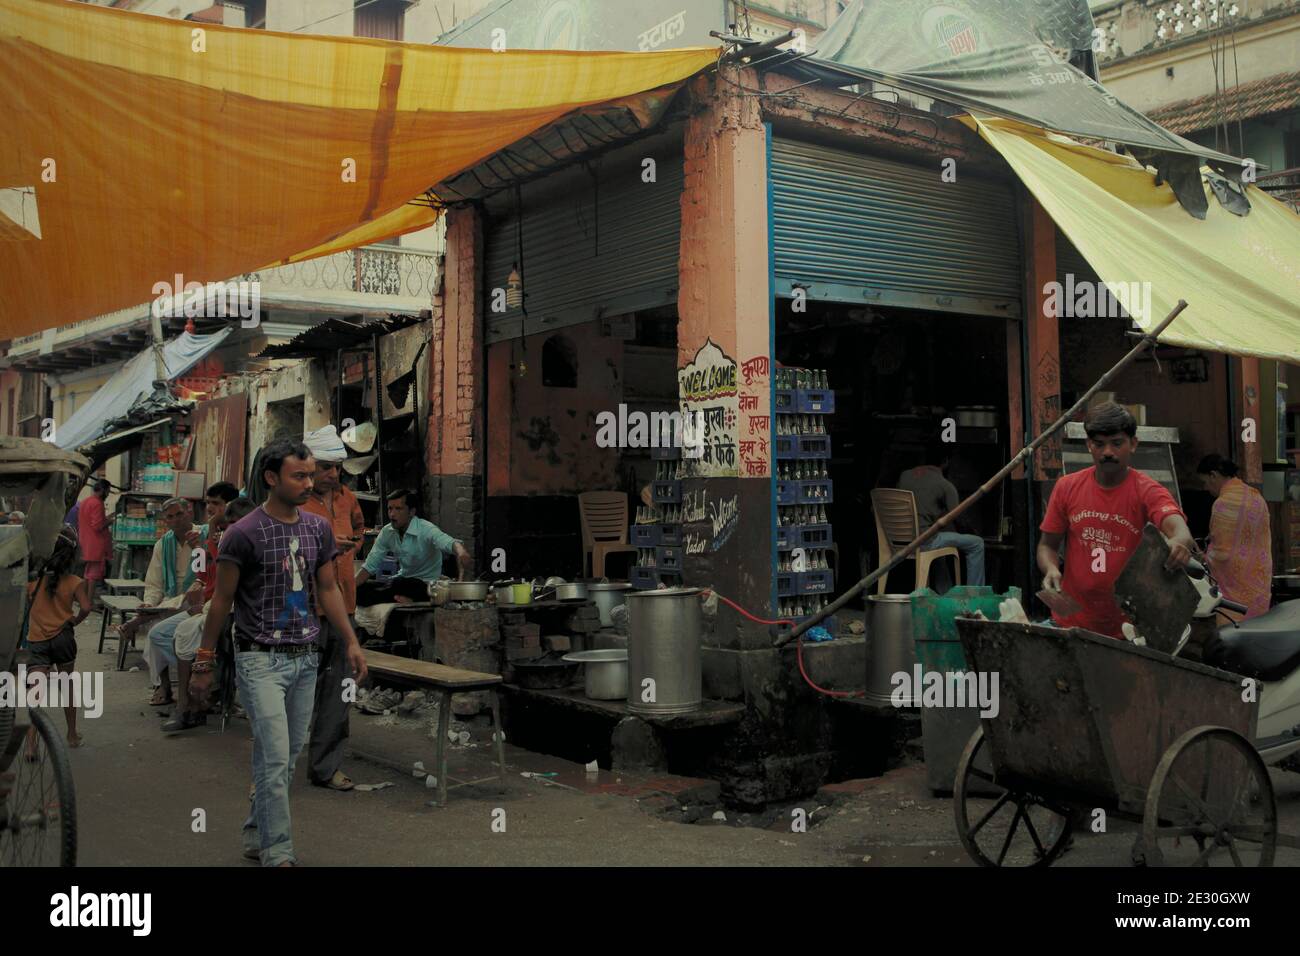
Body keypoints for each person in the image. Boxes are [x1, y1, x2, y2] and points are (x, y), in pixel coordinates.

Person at [188, 439, 367, 867]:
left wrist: (351, 640)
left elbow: (328, 588)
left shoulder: (316, 528)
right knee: (273, 757)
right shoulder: (241, 533)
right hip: (258, 659)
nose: (310, 483)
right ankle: (278, 851)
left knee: (285, 759)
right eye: (299, 475)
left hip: (305, 656)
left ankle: (255, 833)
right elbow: (222, 601)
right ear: (272, 478)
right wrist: (204, 660)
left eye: (311, 475)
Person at [1038, 402, 1196, 638]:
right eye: (1099, 444)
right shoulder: (1066, 487)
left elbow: (1180, 531)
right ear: (1088, 445)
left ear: (1133, 444)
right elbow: (1047, 545)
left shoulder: (1147, 490)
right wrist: (1050, 569)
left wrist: (1180, 543)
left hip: (1128, 627)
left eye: (1117, 443)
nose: (1108, 452)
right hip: (1071, 621)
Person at [161, 497, 258, 734]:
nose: (227, 530)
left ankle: (205, 699)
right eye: (225, 526)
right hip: (215, 607)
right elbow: (204, 576)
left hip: (245, 613)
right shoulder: (216, 544)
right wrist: (202, 548)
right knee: (180, 633)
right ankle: (186, 705)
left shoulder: (254, 543)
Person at [301, 454, 365, 791]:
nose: (333, 473)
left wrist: (353, 544)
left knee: (339, 690)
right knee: (296, 689)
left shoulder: (348, 498)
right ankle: (274, 766)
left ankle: (325, 767)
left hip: (344, 606)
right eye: (326, 467)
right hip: (305, 608)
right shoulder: (298, 500)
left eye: (336, 467)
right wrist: (323, 547)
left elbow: (359, 528)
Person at [24, 525, 92, 750]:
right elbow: (86, 607)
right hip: (64, 638)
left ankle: (32, 743)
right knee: (67, 686)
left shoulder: (31, 582)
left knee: (35, 694)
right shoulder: (75, 581)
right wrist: (74, 620)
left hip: (37, 642)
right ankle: (72, 735)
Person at [137, 497, 205, 706]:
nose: (175, 520)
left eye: (179, 514)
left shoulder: (203, 536)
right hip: (171, 600)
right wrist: (149, 603)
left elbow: (206, 573)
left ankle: (200, 681)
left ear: (189, 513)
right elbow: (154, 583)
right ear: (165, 520)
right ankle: (163, 686)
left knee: (168, 630)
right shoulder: (162, 544)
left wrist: (199, 548)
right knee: (155, 630)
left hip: (198, 599)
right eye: (170, 517)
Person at [355, 489, 471, 605]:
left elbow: (448, 542)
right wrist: (350, 586)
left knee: (399, 583)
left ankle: (403, 598)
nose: (392, 514)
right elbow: (370, 565)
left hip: (426, 586)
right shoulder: (387, 532)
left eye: (398, 509)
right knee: (361, 589)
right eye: (390, 509)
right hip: (401, 582)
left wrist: (461, 551)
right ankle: (397, 598)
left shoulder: (425, 529)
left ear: (411, 512)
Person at [897, 443, 985, 587]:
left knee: (939, 542)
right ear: (945, 461)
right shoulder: (945, 485)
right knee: (976, 543)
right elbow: (959, 520)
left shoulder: (904, 475)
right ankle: (974, 595)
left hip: (899, 540)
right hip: (923, 542)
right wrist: (973, 531)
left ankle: (944, 592)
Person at [1198, 454, 1272, 620]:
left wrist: (1202, 557)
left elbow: (1221, 554)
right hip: (1259, 582)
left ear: (1213, 475)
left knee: (1234, 636)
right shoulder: (1256, 497)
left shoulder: (1223, 503)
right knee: (1259, 633)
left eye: (1205, 482)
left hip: (1234, 590)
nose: (1205, 488)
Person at [77, 478, 114, 609]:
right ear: (103, 490)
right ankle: (89, 602)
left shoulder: (85, 501)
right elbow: (98, 526)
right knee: (93, 575)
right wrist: (110, 521)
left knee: (87, 574)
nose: (108, 494)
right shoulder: (97, 503)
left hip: (85, 542)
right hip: (96, 544)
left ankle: (85, 601)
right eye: (108, 492)